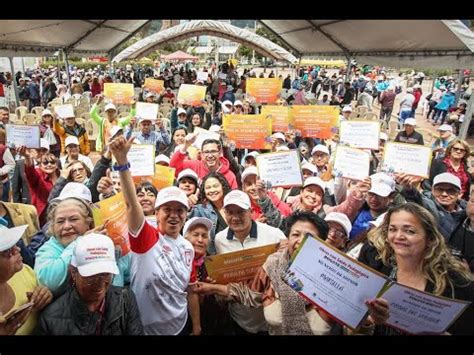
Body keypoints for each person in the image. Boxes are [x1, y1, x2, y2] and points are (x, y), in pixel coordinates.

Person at [195, 211, 388, 335]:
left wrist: (366, 322)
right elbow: (252, 296)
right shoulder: (273, 264)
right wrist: (213, 288)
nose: (300, 240)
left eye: (309, 236)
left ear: (321, 242)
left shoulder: (337, 276)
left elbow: (351, 327)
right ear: (287, 237)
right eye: (295, 234)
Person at [108, 136, 198, 335]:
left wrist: (197, 327)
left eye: (179, 210)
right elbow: (132, 204)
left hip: (180, 326)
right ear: (157, 213)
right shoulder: (146, 239)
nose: (174, 215)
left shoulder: (188, 247)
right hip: (145, 329)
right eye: (168, 209)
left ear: (186, 215)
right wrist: (122, 163)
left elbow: (190, 291)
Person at [358, 203, 474, 335]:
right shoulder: (378, 266)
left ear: (430, 239)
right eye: (393, 229)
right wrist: (368, 323)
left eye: (409, 231)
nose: (398, 236)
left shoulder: (456, 284)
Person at [36, 233, 143, 335]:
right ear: (73, 272)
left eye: (106, 274)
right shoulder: (50, 319)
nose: (99, 283)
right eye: (91, 276)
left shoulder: (125, 299)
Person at [213, 190, 287, 334]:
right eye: (229, 212)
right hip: (239, 318)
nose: (235, 218)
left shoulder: (274, 235)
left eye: (240, 212)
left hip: (269, 321)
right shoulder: (219, 239)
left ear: (251, 211)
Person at [34, 196, 130, 297]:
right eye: (60, 221)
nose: (66, 226)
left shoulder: (106, 242)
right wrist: (80, 242)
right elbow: (50, 282)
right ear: (53, 226)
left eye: (73, 219)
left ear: (88, 223)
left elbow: (129, 277)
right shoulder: (47, 250)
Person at [0, 225, 53, 335]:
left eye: (15, 244)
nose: (18, 249)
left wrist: (45, 295)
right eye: (7, 250)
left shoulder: (24, 272)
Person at [398, 172, 466, 241]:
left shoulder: (466, 210)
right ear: (432, 190)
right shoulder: (429, 205)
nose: (444, 194)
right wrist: (409, 188)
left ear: (459, 194)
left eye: (451, 191)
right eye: (440, 189)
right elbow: (416, 199)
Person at [171, 137, 238, 189]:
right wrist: (185, 146)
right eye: (206, 152)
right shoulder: (194, 166)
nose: (210, 155)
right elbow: (172, 169)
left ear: (220, 153)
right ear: (202, 154)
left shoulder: (230, 176)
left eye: (213, 151)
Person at [189, 172, 231, 255]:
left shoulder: (234, 205)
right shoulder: (200, 210)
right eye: (208, 187)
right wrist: (188, 207)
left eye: (215, 186)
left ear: (223, 187)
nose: (212, 190)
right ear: (204, 191)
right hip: (216, 259)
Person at [19, 147, 59, 226]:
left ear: (57, 165)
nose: (49, 164)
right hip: (42, 218)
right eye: (45, 163)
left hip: (60, 214)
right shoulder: (38, 176)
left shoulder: (62, 177)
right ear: (40, 166)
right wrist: (27, 156)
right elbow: (30, 171)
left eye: (52, 162)